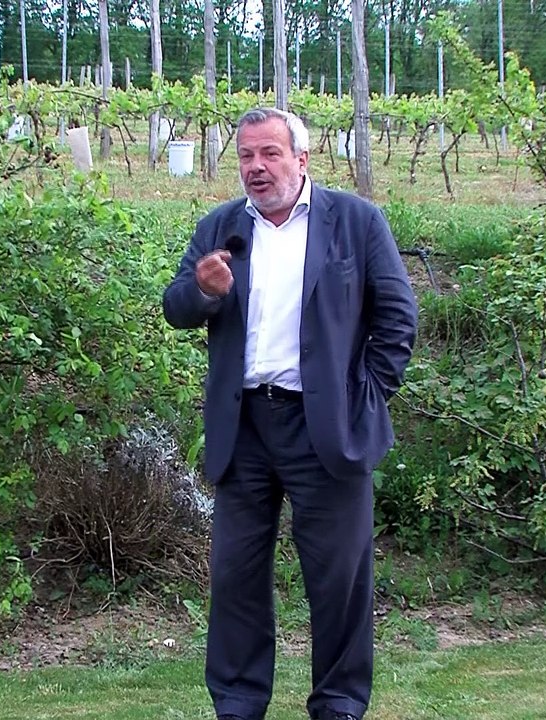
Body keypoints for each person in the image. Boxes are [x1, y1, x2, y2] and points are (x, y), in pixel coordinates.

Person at [162, 107, 419, 720]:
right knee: (235, 576)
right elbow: (177, 306)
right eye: (246, 155)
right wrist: (204, 290)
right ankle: (239, 702)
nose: (256, 167)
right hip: (244, 425)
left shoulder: (354, 222)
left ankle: (338, 704)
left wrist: (365, 395)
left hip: (328, 427)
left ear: (302, 160)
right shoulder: (222, 227)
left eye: (269, 154)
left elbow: (397, 318)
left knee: (339, 578)